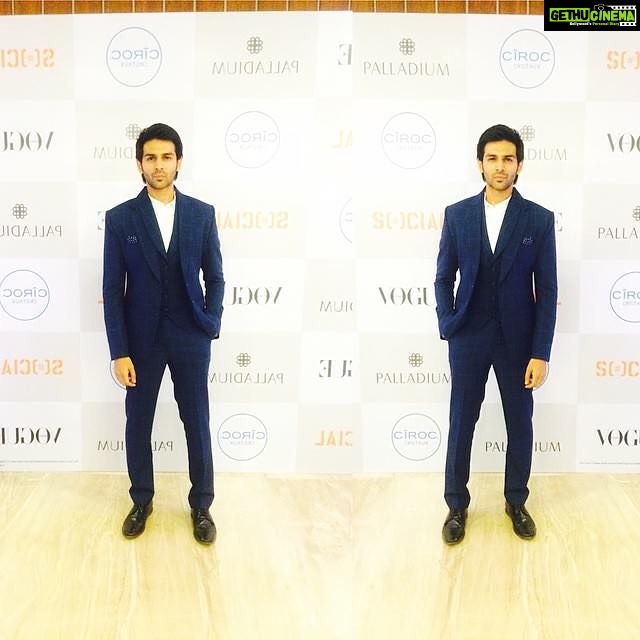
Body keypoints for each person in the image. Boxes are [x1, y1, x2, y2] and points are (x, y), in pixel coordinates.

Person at [434, 124, 557, 545]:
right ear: (480, 164)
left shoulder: (539, 219)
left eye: (508, 158)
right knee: (461, 421)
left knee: (519, 422)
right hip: (467, 336)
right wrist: (448, 322)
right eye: (492, 158)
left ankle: (516, 501)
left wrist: (540, 352)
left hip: (518, 342)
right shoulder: (457, 215)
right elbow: (443, 276)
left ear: (519, 165)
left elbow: (547, 290)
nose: (500, 166)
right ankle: (456, 505)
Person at [102, 123, 224, 545]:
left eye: (166, 157)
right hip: (141, 341)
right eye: (150, 157)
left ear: (179, 162)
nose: (159, 165)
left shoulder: (201, 214)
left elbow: (216, 276)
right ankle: (142, 500)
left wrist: (210, 322)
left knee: (197, 421)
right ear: (139, 164)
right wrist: (119, 351)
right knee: (139, 421)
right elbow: (112, 289)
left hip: (191, 336)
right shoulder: (120, 218)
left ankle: (202, 505)